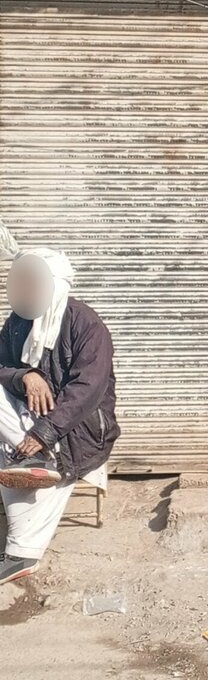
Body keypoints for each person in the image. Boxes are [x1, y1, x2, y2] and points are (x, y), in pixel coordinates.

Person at [0, 248, 119, 584]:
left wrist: (43, 434)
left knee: (16, 463)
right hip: (31, 422)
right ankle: (36, 460)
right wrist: (24, 376)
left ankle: (22, 551)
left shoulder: (87, 325)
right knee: (11, 463)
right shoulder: (18, 323)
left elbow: (87, 390)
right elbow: (2, 366)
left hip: (78, 431)